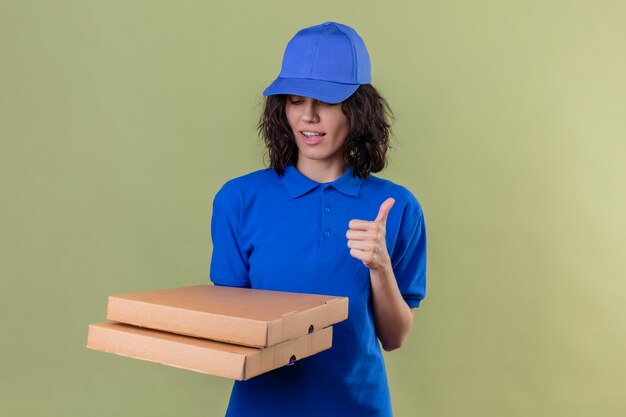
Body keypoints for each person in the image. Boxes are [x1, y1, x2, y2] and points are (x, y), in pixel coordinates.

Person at [210, 21, 427, 417]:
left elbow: (394, 338)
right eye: (295, 100)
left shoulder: (398, 207)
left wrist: (380, 266)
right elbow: (230, 332)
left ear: (358, 109)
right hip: (260, 408)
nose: (308, 117)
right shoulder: (238, 200)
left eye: (325, 102)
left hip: (356, 407)